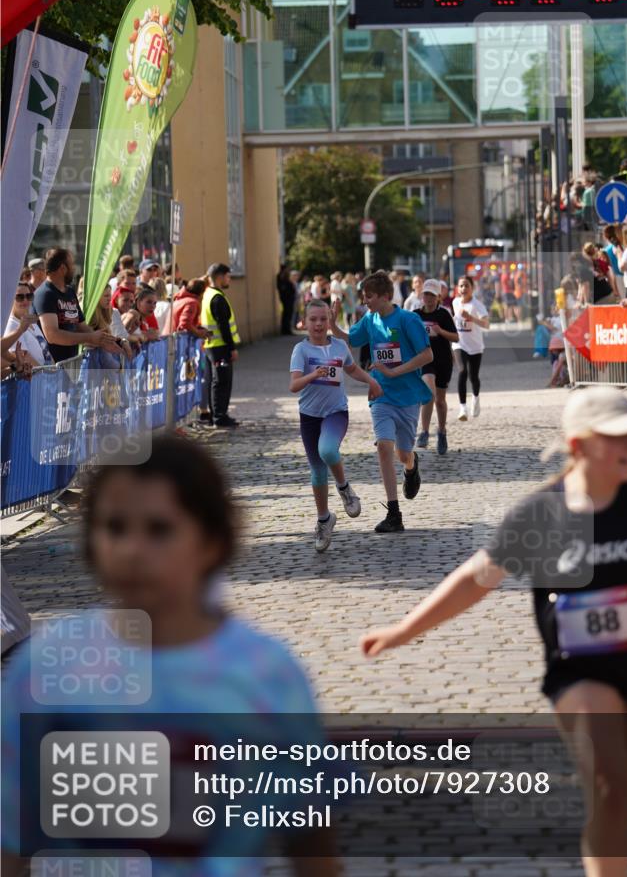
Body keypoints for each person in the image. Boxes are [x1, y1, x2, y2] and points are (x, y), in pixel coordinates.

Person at [361, 387, 627, 877]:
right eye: (616, 439)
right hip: (579, 671)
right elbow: (474, 581)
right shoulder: (541, 514)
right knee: (609, 789)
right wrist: (404, 629)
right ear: (578, 447)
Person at [1, 435, 338, 875]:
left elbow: (312, 845)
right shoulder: (45, 667)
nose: (132, 551)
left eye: (159, 529)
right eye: (115, 528)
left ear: (211, 541)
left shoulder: (266, 675)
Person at [330, 270, 433, 534]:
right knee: (384, 447)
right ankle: (394, 513)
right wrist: (333, 326)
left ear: (386, 296)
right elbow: (350, 339)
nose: (366, 302)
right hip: (381, 394)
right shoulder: (370, 320)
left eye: (370, 297)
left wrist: (395, 372)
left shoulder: (408, 320)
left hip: (408, 395)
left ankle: (411, 467)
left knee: (403, 453)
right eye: (364, 298)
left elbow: (427, 355)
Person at [289, 299, 383, 552]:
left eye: (323, 319)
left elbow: (352, 370)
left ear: (329, 320)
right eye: (313, 320)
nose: (318, 324)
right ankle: (324, 519)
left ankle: (344, 489)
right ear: (305, 322)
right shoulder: (301, 350)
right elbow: (294, 385)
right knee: (317, 471)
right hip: (309, 416)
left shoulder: (340, 346)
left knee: (328, 450)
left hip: (336, 413)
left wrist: (372, 382)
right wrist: (313, 375)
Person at [32, 247, 120, 362]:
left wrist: (111, 341)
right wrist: (90, 338)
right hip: (51, 370)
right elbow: (52, 335)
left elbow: (81, 326)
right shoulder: (45, 294)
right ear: (63, 268)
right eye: (72, 264)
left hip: (71, 364)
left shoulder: (69, 292)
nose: (74, 268)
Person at [415, 279, 458, 455]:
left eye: (432, 295)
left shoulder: (444, 314)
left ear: (438, 297)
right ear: (422, 295)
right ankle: (424, 432)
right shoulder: (415, 314)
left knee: (440, 401)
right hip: (425, 360)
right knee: (428, 393)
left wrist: (441, 332)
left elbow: (456, 338)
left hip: (443, 361)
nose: (429, 298)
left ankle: (441, 431)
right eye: (426, 294)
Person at [201, 262, 241, 428]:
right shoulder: (217, 298)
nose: (229, 279)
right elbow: (223, 326)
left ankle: (217, 415)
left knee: (215, 381)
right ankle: (219, 417)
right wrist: (231, 348)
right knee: (222, 382)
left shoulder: (208, 294)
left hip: (212, 346)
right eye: (227, 276)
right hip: (220, 347)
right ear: (219, 277)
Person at [452, 276, 490, 421]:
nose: (463, 289)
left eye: (466, 286)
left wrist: (471, 318)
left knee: (473, 377)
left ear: (472, 288)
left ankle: (475, 397)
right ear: (457, 288)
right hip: (459, 344)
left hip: (475, 346)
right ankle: (462, 407)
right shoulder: (455, 303)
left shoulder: (477, 305)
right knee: (462, 371)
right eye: (461, 286)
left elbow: (487, 325)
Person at [3, 282, 53, 366]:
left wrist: (55, 370)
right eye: (20, 297)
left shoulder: (31, 321)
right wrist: (47, 375)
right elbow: (24, 357)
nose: (25, 300)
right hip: (35, 377)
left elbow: (46, 352)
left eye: (29, 296)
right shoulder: (12, 326)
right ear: (10, 299)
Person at [277, 264, 296, 336]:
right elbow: (283, 288)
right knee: (287, 313)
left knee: (288, 313)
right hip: (286, 298)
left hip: (288, 298)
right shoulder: (281, 277)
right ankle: (285, 330)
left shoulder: (285, 277)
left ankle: (287, 329)